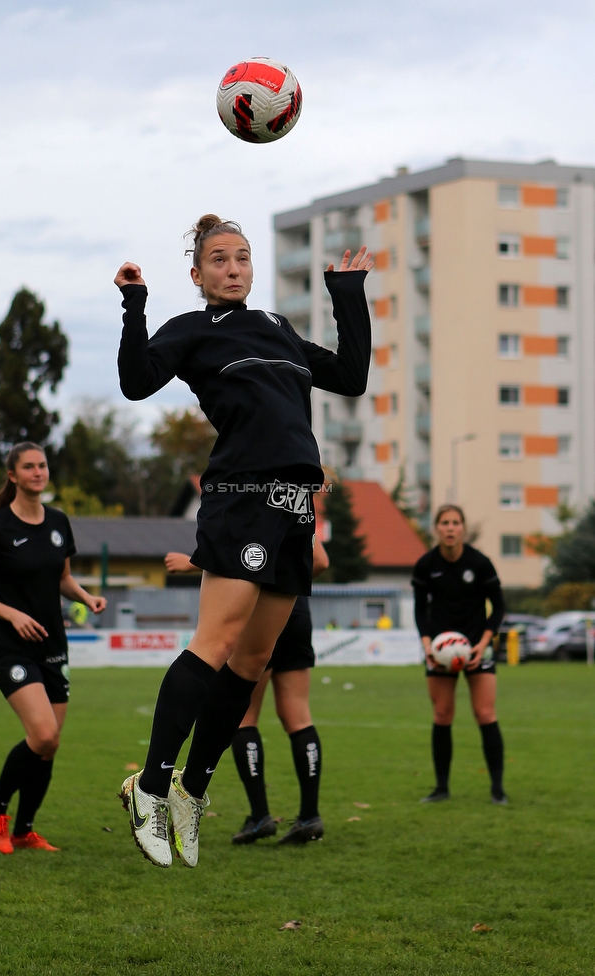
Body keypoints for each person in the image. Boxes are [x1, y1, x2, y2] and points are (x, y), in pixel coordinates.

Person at [115, 214, 372, 868]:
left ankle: (190, 793)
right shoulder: (193, 330)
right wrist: (135, 304)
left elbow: (349, 374)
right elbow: (137, 380)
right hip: (240, 498)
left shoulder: (278, 330)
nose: (233, 268)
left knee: (251, 664)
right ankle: (150, 785)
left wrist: (348, 293)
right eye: (219, 260)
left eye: (242, 258)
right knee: (218, 642)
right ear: (199, 275)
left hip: (293, 510)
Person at [0, 442, 107, 854]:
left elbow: (62, 578)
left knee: (50, 743)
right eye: (28, 467)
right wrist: (12, 615)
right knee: (41, 735)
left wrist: (86, 597)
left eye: (42, 465)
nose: (38, 472)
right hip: (10, 646)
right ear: (13, 475)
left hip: (53, 646)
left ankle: (25, 830)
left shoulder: (59, 521)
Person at [165, 537, 329, 846]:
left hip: (261, 612)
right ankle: (309, 815)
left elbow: (234, 557)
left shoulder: (251, 503)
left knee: (245, 717)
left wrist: (191, 563)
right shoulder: (293, 504)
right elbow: (320, 560)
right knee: (299, 717)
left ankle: (260, 815)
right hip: (296, 611)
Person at [411, 504, 507, 805]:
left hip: (477, 648)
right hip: (440, 652)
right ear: (436, 528)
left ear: (463, 528)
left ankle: (497, 790)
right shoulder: (426, 564)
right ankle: (441, 788)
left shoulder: (480, 563)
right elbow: (419, 609)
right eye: (444, 522)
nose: (450, 528)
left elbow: (499, 607)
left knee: (485, 713)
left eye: (455, 523)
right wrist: (428, 645)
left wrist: (484, 642)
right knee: (442, 715)